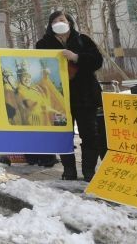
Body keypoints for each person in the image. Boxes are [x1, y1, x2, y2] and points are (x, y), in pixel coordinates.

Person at [36, 10, 103, 182]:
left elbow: (97, 61)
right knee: (62, 134)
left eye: (63, 19)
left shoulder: (83, 40)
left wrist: (76, 57)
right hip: (58, 98)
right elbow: (38, 66)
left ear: (70, 22)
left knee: (89, 133)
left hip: (85, 96)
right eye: (56, 20)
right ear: (51, 25)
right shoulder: (43, 44)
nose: (60, 22)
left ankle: (89, 170)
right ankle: (69, 170)